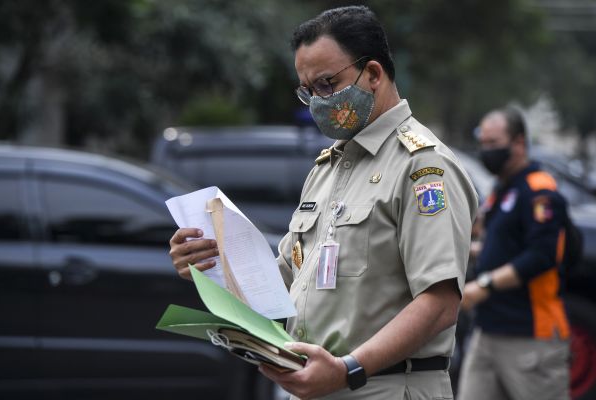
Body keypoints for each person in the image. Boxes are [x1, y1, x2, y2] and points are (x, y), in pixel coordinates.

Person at [169, 6, 478, 399]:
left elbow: (440, 303)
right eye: (308, 90)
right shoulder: (328, 167)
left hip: (383, 386)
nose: (317, 100)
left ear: (373, 74)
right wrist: (206, 264)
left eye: (328, 84)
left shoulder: (422, 167)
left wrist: (347, 369)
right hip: (315, 385)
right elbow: (280, 284)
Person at [458, 107, 570, 400]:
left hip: (531, 336)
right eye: (483, 143)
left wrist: (483, 286)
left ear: (519, 143)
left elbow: (542, 256)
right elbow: (502, 249)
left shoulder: (539, 190)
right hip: (487, 332)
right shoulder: (503, 190)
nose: (486, 151)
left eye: (494, 144)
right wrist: (462, 251)